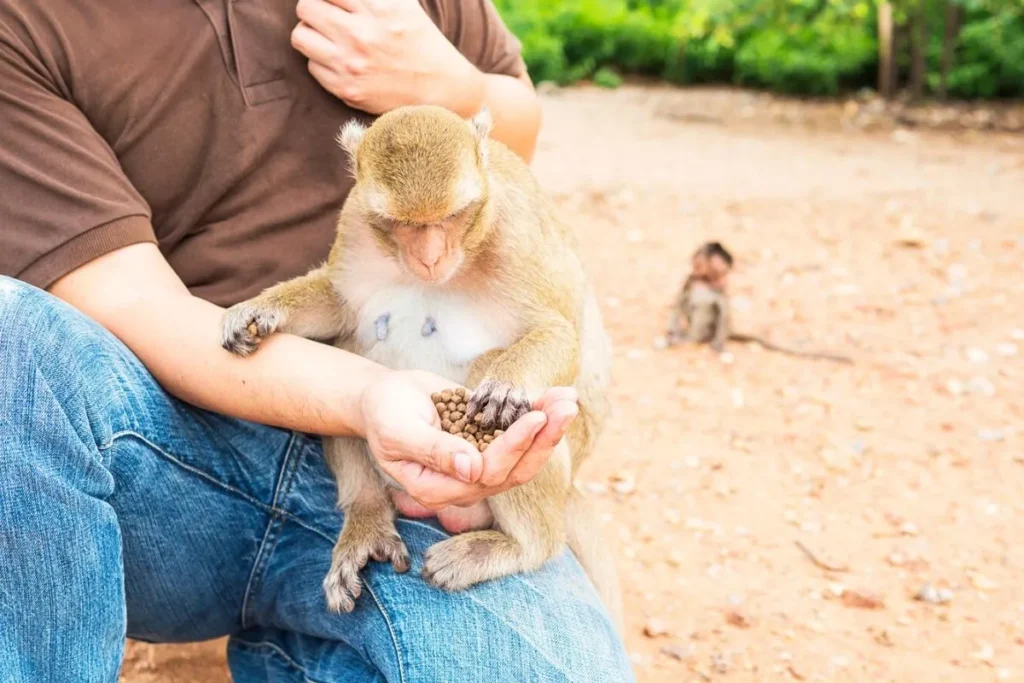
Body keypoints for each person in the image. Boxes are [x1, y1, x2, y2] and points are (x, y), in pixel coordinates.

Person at [0, 1, 633, 681]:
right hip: (168, 450)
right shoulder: (24, 23)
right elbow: (128, 300)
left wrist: (451, 88)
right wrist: (361, 396)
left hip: (423, 451)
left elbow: (514, 135)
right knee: (13, 330)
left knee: (545, 668)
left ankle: (315, 645)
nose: (427, 254)